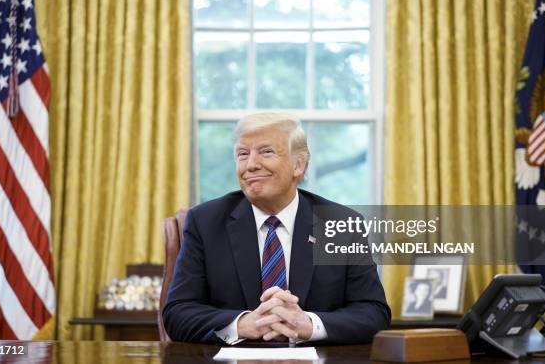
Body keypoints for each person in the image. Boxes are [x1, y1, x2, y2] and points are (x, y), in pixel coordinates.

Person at [163, 112, 391, 345]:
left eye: (266, 152)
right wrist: (243, 324)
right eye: (243, 154)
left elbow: (373, 314)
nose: (251, 165)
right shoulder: (205, 222)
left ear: (298, 165)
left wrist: (309, 325)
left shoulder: (340, 225)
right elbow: (177, 313)